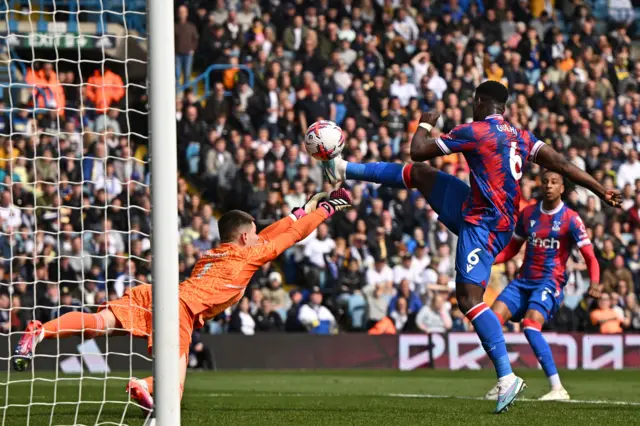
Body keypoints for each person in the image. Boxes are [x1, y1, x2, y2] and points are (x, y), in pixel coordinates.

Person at [321, 80, 622, 413]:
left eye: (472, 101)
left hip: (484, 224)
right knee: (421, 175)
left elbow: (418, 148)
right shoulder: (520, 136)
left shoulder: (476, 131)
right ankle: (343, 168)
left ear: (480, 102)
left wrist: (425, 121)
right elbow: (562, 164)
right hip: (479, 211)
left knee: (468, 297)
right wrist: (600, 190)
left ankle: (507, 377)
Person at [12, 190, 353, 411]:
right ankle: (143, 386)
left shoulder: (212, 253)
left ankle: (40, 331)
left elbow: (270, 233)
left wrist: (296, 211)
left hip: (157, 293)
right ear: (246, 237)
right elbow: (289, 236)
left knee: (98, 324)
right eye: (255, 234)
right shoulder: (248, 257)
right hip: (181, 310)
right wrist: (324, 210)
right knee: (173, 392)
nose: (259, 238)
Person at [484, 170, 600, 401]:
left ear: (562, 188)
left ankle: (557, 388)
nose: (548, 186)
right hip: (523, 281)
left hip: (550, 281)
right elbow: (512, 249)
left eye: (554, 182)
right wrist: (488, 260)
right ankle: (505, 379)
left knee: (530, 325)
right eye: (545, 181)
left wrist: (595, 282)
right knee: (489, 321)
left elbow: (590, 257)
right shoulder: (528, 214)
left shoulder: (571, 218)